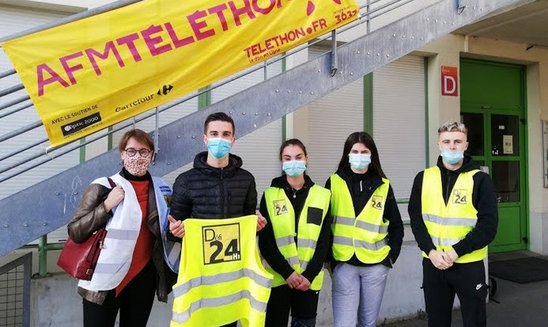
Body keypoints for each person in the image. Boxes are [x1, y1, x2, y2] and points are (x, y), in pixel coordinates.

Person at [67, 129, 177, 327]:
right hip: (103, 282)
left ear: (151, 155)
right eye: (131, 151)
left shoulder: (163, 189)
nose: (137, 156)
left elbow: (167, 229)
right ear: (122, 154)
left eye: (144, 152)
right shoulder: (103, 185)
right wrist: (106, 206)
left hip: (143, 278)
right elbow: (75, 231)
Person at [168, 111, 267, 327]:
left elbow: (250, 221)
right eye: (214, 133)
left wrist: (257, 226)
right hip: (200, 280)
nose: (219, 139)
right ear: (205, 138)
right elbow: (172, 229)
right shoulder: (185, 181)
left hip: (232, 282)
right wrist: (176, 231)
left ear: (233, 139)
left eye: (225, 134)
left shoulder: (246, 179)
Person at [408, 122, 498, 327]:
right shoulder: (423, 178)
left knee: (474, 321)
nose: (452, 146)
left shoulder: (480, 180)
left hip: (468, 264)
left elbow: (488, 227)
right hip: (433, 263)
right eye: (447, 141)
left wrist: (456, 251)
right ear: (439, 144)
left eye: (457, 141)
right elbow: (416, 219)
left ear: (466, 145)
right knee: (437, 321)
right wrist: (431, 252)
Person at [326, 131, 404, 327]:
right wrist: (329, 260)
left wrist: (390, 257)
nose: (359, 155)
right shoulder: (334, 182)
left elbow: (396, 226)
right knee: (344, 324)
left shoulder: (384, 186)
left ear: (372, 155)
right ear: (347, 154)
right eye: (354, 151)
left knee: (368, 323)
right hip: (344, 264)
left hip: (375, 265)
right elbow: (324, 225)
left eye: (364, 151)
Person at [258, 139, 332, 327]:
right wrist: (288, 273)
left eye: (298, 157)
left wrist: (309, 275)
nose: (293, 161)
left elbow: (324, 241)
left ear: (306, 158)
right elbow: (266, 242)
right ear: (281, 162)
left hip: (309, 279)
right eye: (287, 158)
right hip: (279, 278)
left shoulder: (322, 195)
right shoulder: (270, 195)